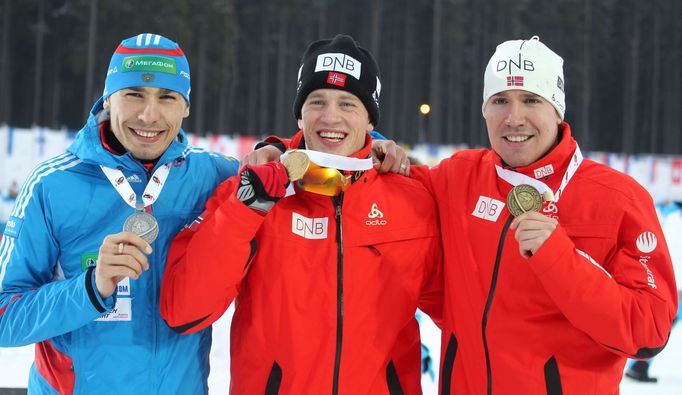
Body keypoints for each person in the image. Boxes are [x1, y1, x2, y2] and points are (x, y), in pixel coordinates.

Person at [160, 34, 442, 393]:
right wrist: (246, 209)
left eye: (348, 104)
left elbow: (466, 310)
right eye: (317, 101)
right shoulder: (251, 192)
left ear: (371, 120)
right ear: (299, 113)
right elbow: (184, 310)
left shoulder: (410, 199)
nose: (330, 117)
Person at [409, 36, 678, 394]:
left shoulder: (618, 199)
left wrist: (557, 258)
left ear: (557, 110)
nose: (514, 118)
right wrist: (380, 147)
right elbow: (388, 192)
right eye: (500, 100)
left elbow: (649, 333)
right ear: (485, 111)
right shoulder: (457, 178)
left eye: (531, 100)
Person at [0, 33, 238, 393]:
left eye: (167, 97)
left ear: (186, 107)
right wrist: (89, 289)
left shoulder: (215, 176)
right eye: (134, 94)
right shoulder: (52, 184)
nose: (149, 114)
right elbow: (4, 315)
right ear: (109, 98)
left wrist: (270, 151)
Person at [625, 198, 682, 382]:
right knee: (663, 322)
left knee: (665, 322)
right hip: (674, 283)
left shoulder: (671, 214)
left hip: (673, 282)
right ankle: (640, 364)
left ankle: (640, 364)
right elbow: (672, 251)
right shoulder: (674, 216)